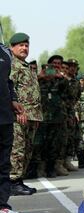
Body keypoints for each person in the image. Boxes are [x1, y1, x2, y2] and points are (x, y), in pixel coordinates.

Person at [9, 32, 42, 195]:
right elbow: (10, 89)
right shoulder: (12, 65)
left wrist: (35, 115)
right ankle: (13, 182)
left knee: (27, 149)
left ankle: (19, 179)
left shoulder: (26, 66)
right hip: (19, 115)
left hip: (31, 115)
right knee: (18, 149)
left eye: (26, 45)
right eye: (20, 45)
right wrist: (16, 110)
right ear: (12, 47)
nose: (24, 48)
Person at [0, 35, 24, 213]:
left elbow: (8, 81)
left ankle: (1, 206)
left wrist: (14, 99)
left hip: (4, 118)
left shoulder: (5, 53)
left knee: (3, 165)